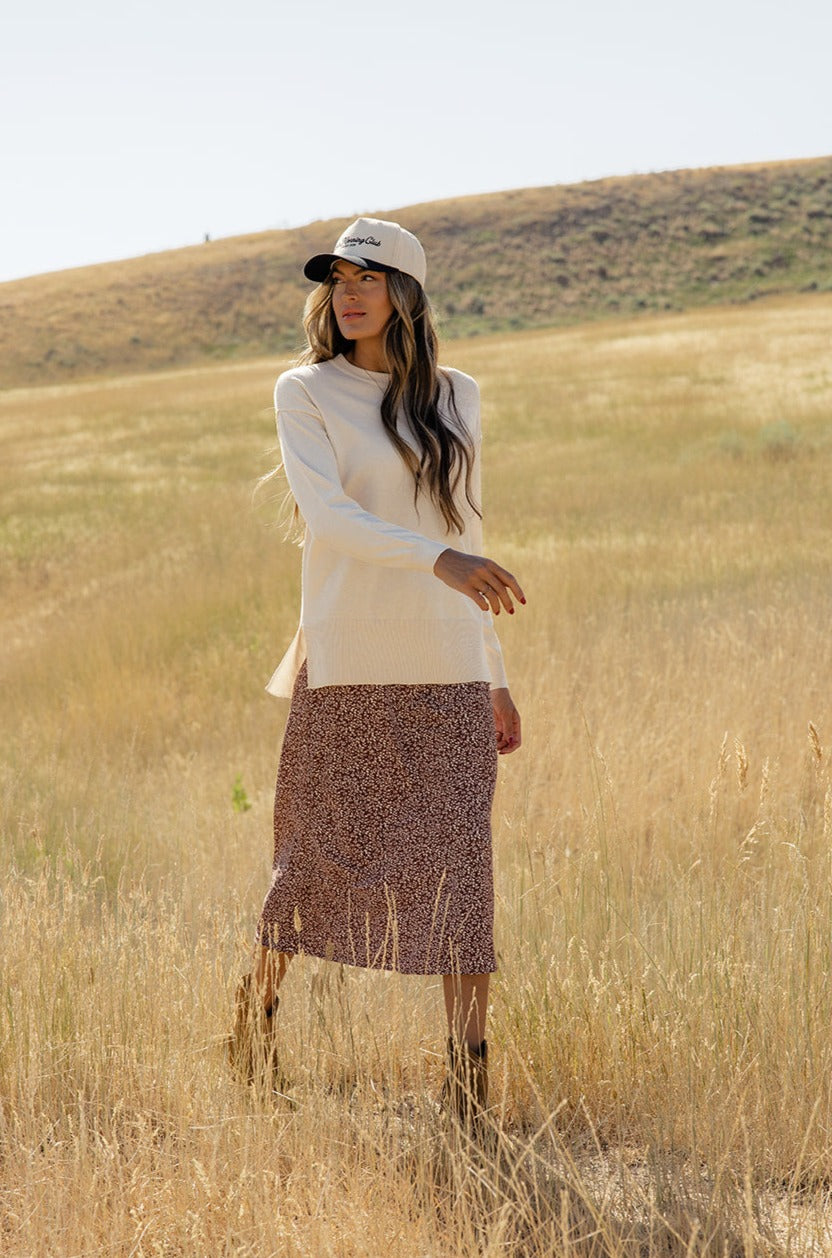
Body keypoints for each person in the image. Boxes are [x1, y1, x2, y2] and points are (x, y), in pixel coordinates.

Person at [229, 217, 525, 1119]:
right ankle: (253, 1027)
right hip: (349, 657)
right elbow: (327, 517)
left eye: (369, 276)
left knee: (460, 871)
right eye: (337, 279)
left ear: (408, 293)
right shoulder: (305, 390)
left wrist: (495, 668)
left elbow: (464, 534)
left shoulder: (459, 394)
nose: (348, 292)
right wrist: (441, 565)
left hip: (447, 663)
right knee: (315, 863)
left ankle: (468, 1081)